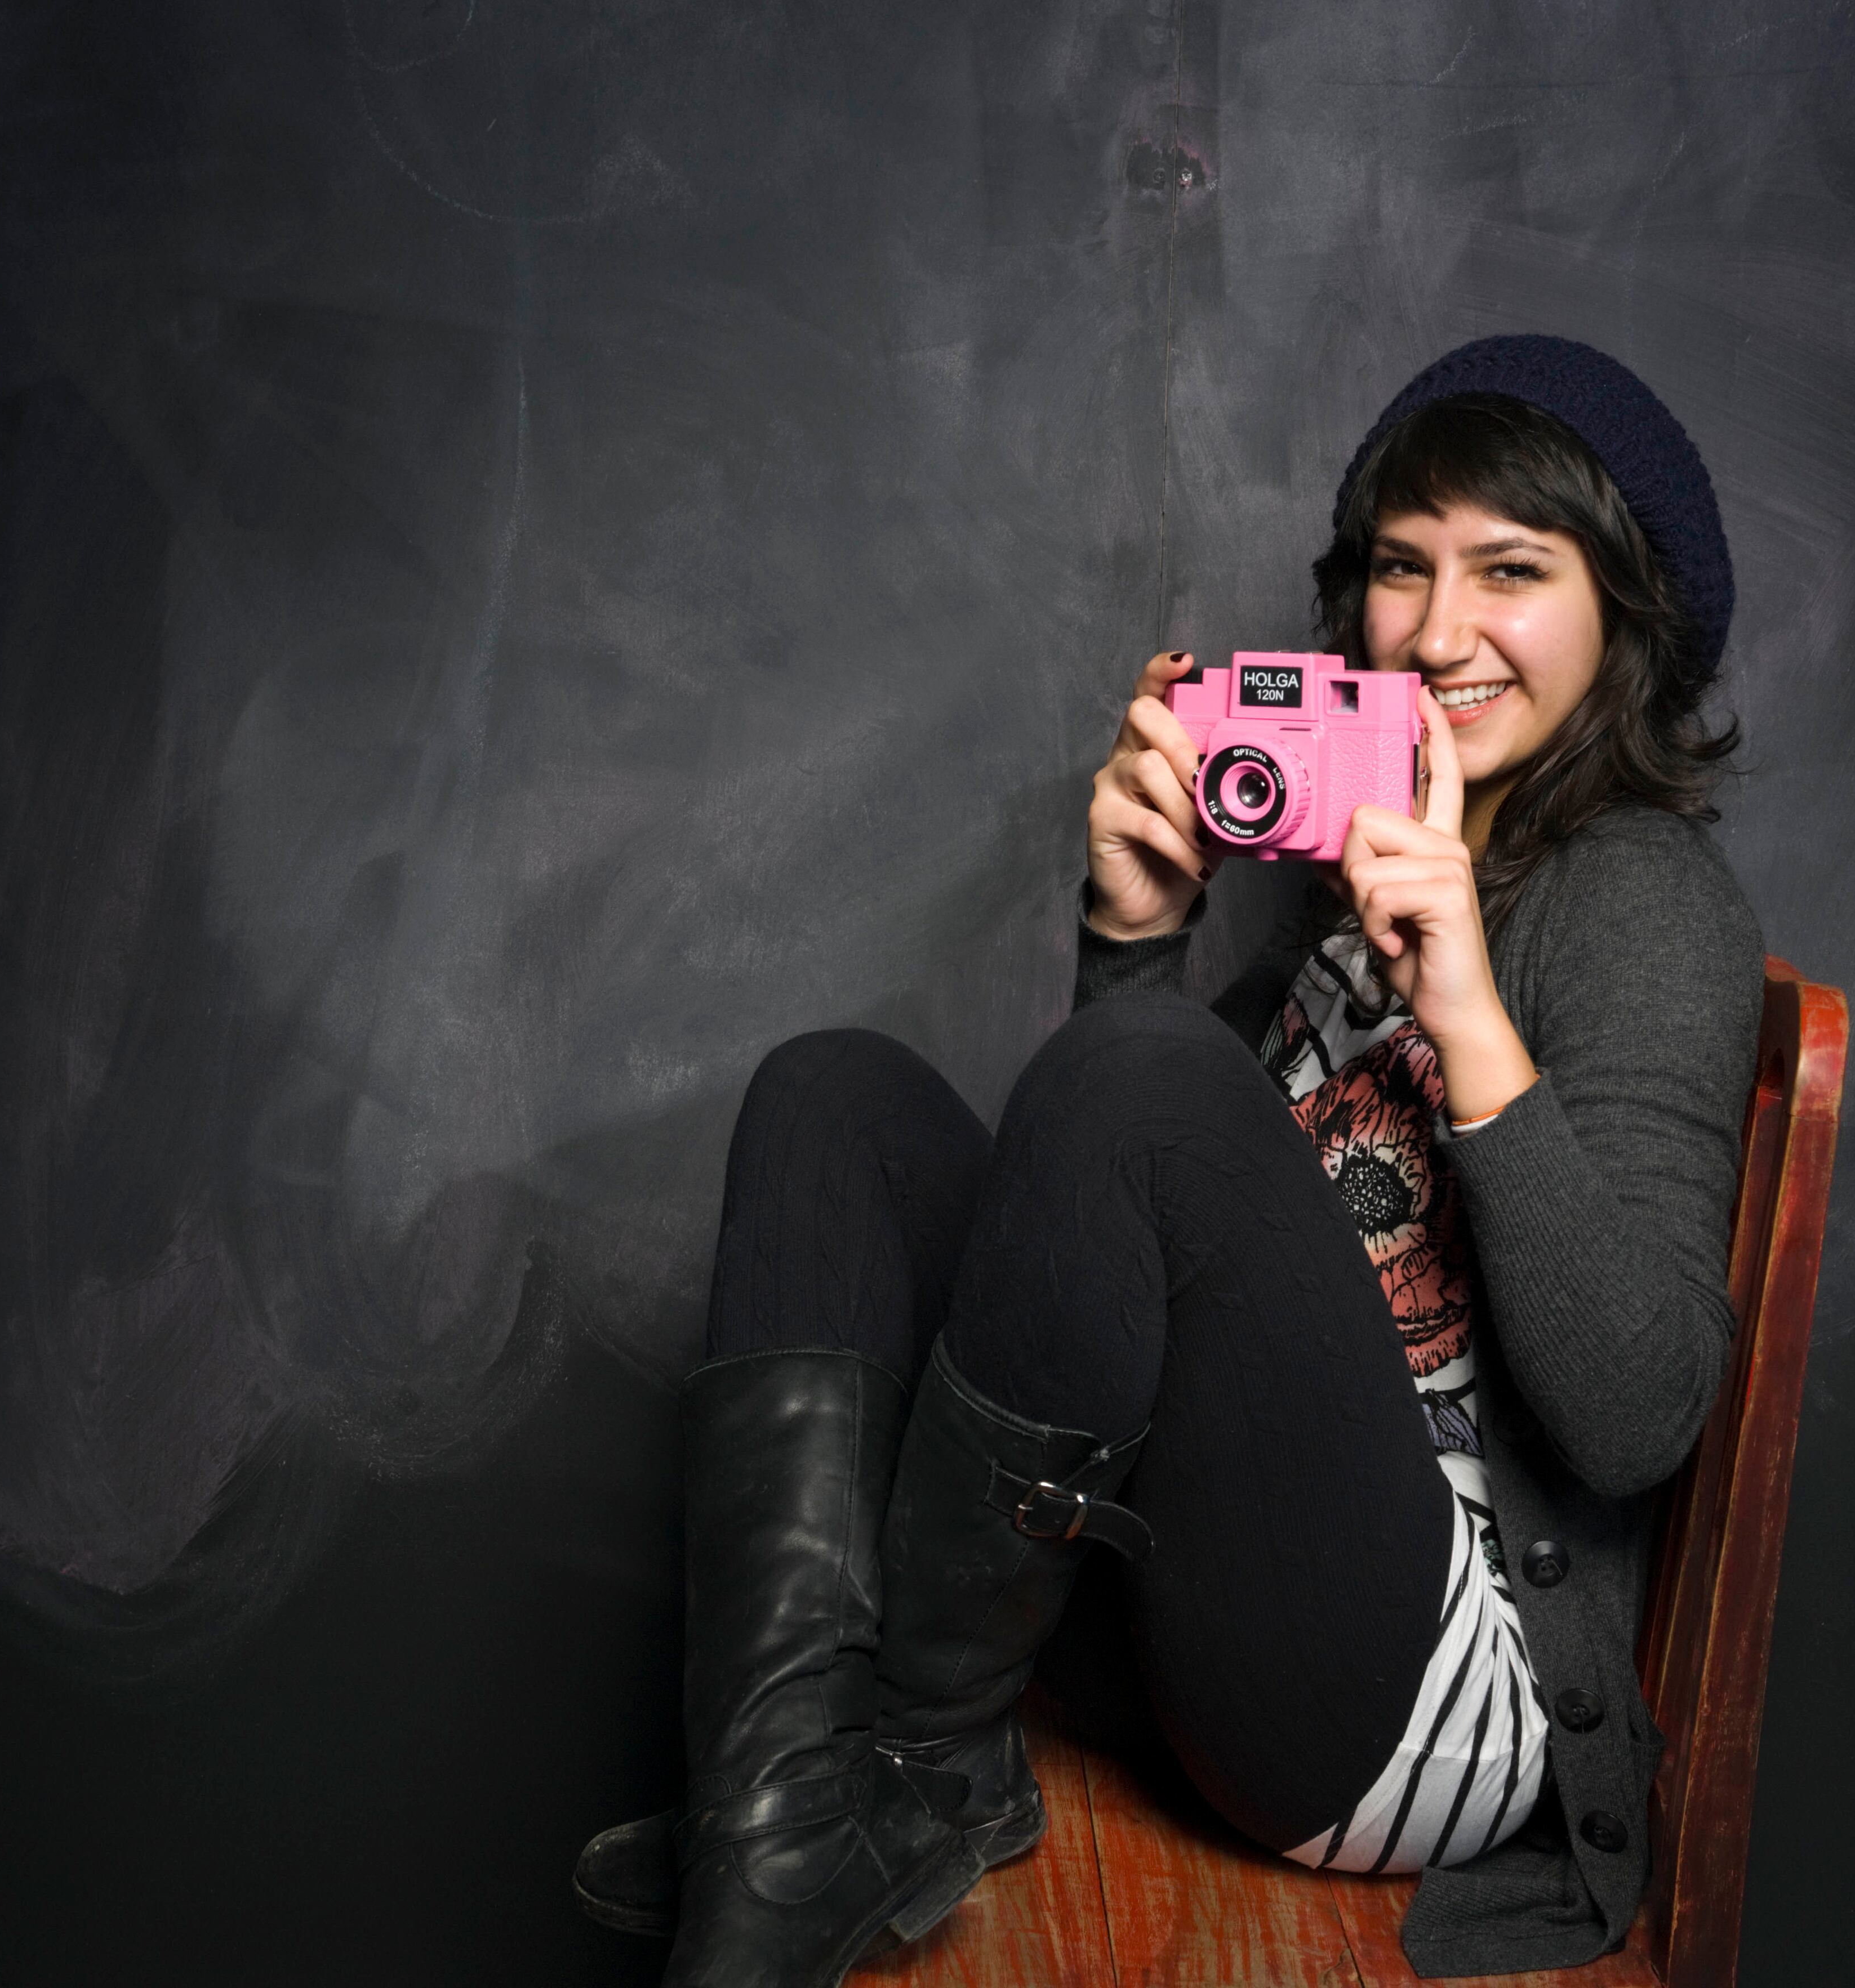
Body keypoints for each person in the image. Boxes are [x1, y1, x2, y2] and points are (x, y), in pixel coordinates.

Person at [572, 335, 1763, 1985]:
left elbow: (1638, 1412)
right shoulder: (1361, 868)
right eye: (1404, 568)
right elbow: (1130, 1259)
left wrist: (1474, 1018)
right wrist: (1138, 936)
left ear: (1621, 613)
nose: (1439, 630)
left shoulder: (1639, 899)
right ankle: (789, 1823)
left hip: (1429, 1691)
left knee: (1150, 1075)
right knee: (832, 1096)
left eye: (1513, 570)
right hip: (1203, 1597)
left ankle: (904, 1767)